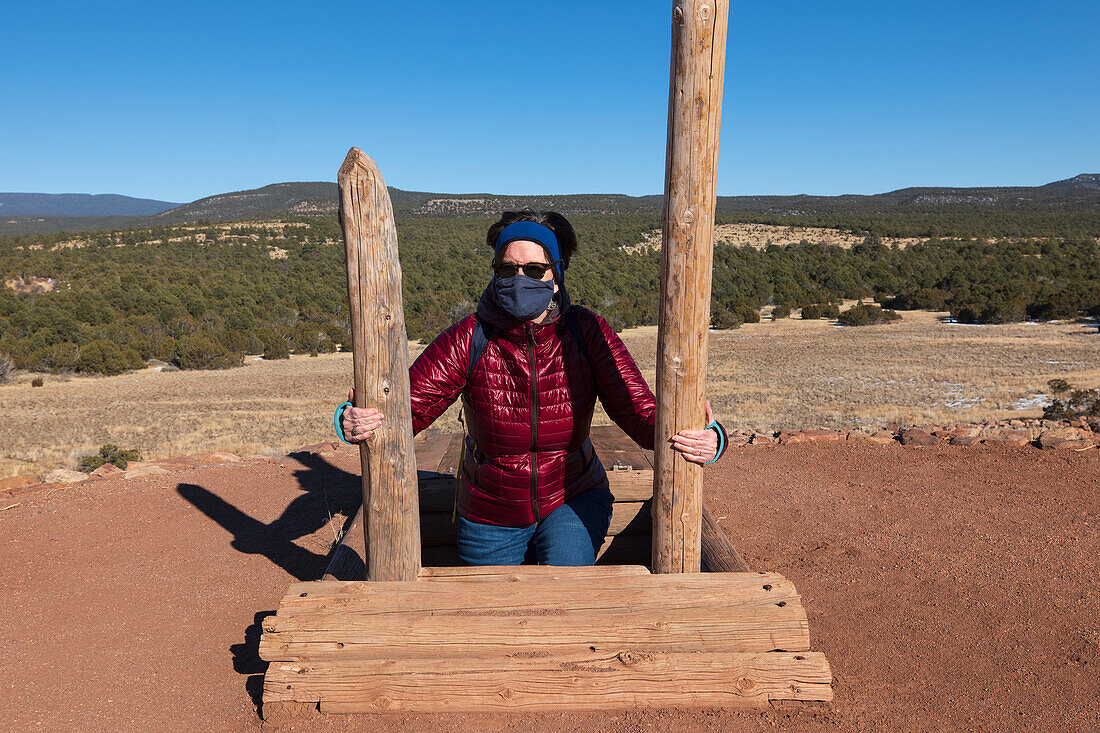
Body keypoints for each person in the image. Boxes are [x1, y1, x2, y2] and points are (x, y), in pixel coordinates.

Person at [338, 210, 728, 566]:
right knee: (494, 619)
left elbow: (641, 414)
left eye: (535, 269)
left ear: (557, 277)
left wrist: (707, 437)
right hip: (491, 508)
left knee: (565, 600)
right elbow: (405, 412)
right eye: (508, 270)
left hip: (573, 497)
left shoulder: (586, 332)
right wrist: (352, 418)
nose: (520, 279)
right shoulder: (471, 338)